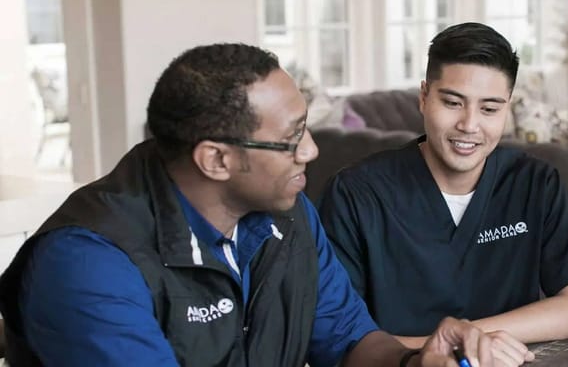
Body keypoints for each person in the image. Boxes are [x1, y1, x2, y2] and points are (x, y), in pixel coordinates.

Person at [0, 43, 514, 367]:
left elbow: (351, 343)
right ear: (216, 160)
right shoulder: (88, 265)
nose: (312, 150)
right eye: (291, 138)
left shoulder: (289, 218)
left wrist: (415, 360)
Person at [317, 22, 568, 354]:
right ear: (424, 97)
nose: (469, 125)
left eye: (489, 109)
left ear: (507, 108)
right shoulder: (355, 195)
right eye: (453, 103)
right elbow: (337, 338)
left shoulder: (535, 184)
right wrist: (438, 352)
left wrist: (469, 338)